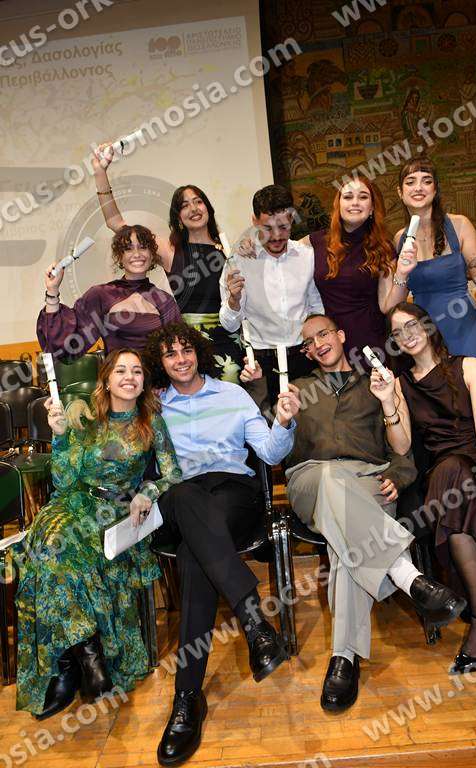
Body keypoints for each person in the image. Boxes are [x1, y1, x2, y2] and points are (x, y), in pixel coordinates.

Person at [241, 313, 465, 711]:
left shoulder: (377, 383)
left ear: (341, 335)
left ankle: (343, 658)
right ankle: (407, 575)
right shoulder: (299, 389)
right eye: (309, 341)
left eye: (323, 333)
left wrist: (398, 473)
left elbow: (402, 448)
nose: (317, 343)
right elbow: (269, 438)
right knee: (331, 481)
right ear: (307, 352)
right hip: (312, 479)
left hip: (369, 482)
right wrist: (261, 389)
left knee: (346, 548)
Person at [143, 322, 300, 767]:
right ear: (161, 362)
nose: (180, 359)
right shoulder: (154, 407)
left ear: (199, 353)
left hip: (233, 494)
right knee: (186, 494)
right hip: (180, 500)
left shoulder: (233, 395)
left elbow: (270, 453)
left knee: (195, 556)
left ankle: (187, 697)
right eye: (170, 354)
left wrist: (283, 421)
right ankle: (254, 622)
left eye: (186, 350)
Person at [14, 348, 182, 719]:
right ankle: (89, 662)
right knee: (52, 548)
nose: (129, 377)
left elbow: (172, 474)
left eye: (136, 371)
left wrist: (147, 491)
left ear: (144, 381)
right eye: (120, 370)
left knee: (59, 561)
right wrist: (60, 436)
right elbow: (63, 480)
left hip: (117, 512)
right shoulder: (86, 417)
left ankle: (71, 666)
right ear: (105, 380)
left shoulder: (152, 422)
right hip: (73, 504)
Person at [371, 302, 476, 674]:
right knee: (450, 470)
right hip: (441, 477)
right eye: (397, 333)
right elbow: (402, 445)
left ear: (428, 325)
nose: (407, 336)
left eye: (411, 325)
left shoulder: (470, 366)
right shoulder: (401, 385)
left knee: (460, 523)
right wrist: (387, 403)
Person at [93, 145, 243, 381]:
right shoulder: (170, 250)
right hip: (187, 347)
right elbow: (115, 223)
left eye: (198, 202)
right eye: (185, 205)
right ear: (178, 217)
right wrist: (100, 172)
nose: (193, 209)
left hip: (230, 342)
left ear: (207, 208)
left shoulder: (227, 249)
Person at [392, 157, 476, 409]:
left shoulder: (460, 224)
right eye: (410, 182)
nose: (418, 187)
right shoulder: (398, 239)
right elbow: (394, 301)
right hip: (424, 335)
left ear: (435, 189)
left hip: (466, 328)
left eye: (426, 181)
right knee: (441, 409)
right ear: (400, 192)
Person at [219, 184, 324, 409]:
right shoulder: (238, 262)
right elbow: (229, 325)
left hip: (303, 357)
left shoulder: (306, 256)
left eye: (283, 227)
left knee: (308, 424)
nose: (276, 236)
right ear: (254, 221)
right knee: (264, 425)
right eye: (267, 228)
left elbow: (316, 307)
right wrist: (233, 300)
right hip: (260, 364)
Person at [301, 177, 415, 369]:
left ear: (372, 208)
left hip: (372, 343)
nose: (355, 202)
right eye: (348, 197)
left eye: (363, 197)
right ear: (338, 205)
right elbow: (279, 250)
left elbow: (388, 306)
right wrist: (251, 245)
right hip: (330, 344)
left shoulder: (383, 247)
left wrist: (403, 274)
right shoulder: (315, 241)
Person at [38, 224, 181, 359]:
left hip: (156, 377)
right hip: (117, 376)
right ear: (119, 256)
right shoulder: (101, 295)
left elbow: (177, 349)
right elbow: (66, 347)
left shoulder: (164, 300)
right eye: (128, 249)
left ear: (152, 255)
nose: (137, 254)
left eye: (143, 247)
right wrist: (52, 290)